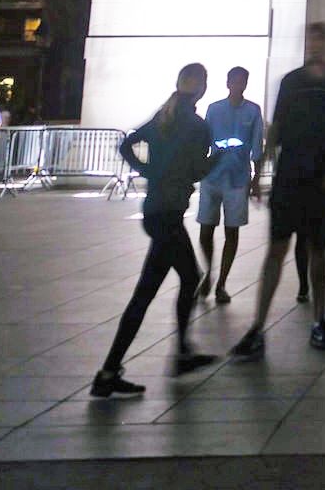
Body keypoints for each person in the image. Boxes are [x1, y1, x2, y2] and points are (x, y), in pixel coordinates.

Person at [232, 22, 325, 359]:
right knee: (276, 249)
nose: (314, 44)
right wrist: (260, 174)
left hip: (322, 184)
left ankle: (319, 322)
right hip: (291, 178)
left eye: (320, 39)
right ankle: (257, 327)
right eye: (310, 39)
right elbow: (276, 130)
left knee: (318, 253)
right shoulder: (292, 82)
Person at [91, 63, 215, 398]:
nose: (204, 85)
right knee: (161, 289)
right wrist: (219, 157)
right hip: (168, 215)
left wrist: (148, 170)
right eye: (203, 80)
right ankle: (114, 370)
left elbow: (126, 144)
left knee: (180, 281)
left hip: (157, 212)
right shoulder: (195, 125)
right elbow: (196, 170)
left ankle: (126, 366)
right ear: (198, 87)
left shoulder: (165, 116)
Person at [197, 66, 264, 305]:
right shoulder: (214, 110)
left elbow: (257, 146)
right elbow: (203, 141)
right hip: (212, 176)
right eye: (234, 81)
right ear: (228, 83)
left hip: (237, 179)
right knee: (206, 229)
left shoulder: (253, 111)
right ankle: (208, 272)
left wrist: (255, 180)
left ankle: (221, 282)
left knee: (231, 231)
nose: (238, 85)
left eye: (242, 81)